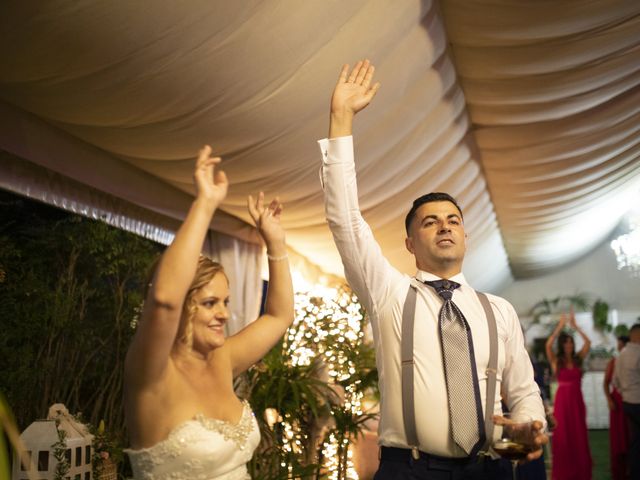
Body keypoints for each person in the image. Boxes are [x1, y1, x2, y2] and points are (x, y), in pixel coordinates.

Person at [319, 59, 547, 480]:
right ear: (410, 244)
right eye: (430, 221)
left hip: (489, 469)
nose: (444, 225)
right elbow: (345, 219)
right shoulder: (388, 292)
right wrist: (341, 120)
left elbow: (523, 390)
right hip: (410, 469)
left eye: (453, 220)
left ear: (465, 236)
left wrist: (532, 423)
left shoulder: (498, 310)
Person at [123, 146, 293, 480]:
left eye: (226, 303)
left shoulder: (223, 359)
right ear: (183, 306)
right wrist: (205, 205)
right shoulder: (152, 373)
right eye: (209, 303)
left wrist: (275, 243)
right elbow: (164, 300)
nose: (224, 314)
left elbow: (279, 317)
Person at [544, 311, 592, 480]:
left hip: (577, 401)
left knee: (579, 436)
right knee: (563, 437)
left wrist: (576, 326)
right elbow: (548, 346)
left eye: (571, 343)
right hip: (563, 403)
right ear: (562, 345)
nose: (569, 346)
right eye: (566, 344)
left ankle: (581, 471)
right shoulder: (557, 361)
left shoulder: (578, 359)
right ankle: (565, 472)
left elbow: (588, 342)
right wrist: (560, 326)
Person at [614, 323, 640, 480]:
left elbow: (615, 381)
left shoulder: (621, 354)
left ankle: (634, 472)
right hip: (638, 401)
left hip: (627, 402)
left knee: (636, 440)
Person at [604, 334, 630, 480]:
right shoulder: (613, 362)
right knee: (619, 438)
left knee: (630, 436)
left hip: (631, 400)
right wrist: (609, 399)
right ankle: (619, 468)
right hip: (617, 402)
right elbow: (605, 382)